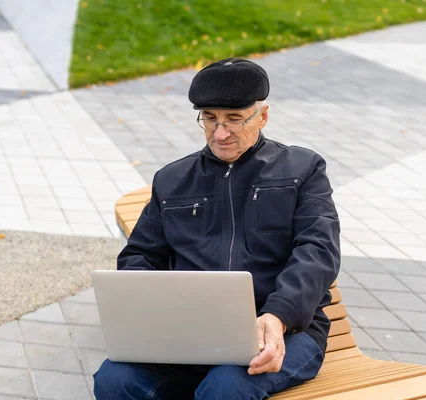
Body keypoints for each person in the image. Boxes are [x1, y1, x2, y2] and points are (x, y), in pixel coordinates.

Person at [93, 58, 341, 399]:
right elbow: (141, 254)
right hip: (190, 333)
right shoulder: (172, 180)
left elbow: (318, 250)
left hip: (285, 330)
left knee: (225, 387)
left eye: (234, 120)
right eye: (210, 119)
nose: (220, 133)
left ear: (262, 116)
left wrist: (278, 315)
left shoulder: (303, 170)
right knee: (114, 380)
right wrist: (152, 313)